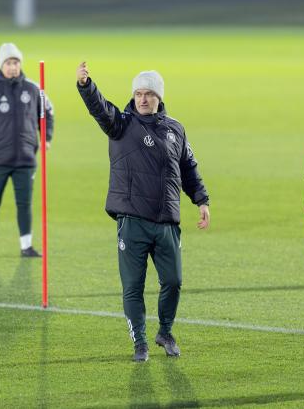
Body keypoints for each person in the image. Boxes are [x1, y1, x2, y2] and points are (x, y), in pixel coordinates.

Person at [76, 62, 210, 362]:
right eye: (138, 93)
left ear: (159, 97)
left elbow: (188, 168)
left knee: (173, 281)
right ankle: (140, 343)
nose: (143, 99)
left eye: (149, 94)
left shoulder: (176, 129)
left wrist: (201, 200)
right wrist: (86, 85)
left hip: (167, 223)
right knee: (133, 286)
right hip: (132, 220)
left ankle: (165, 331)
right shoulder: (120, 124)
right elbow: (100, 109)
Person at [0, 42, 54, 260]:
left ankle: (27, 246)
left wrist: (46, 138)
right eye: (8, 63)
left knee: (24, 204)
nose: (13, 67)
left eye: (16, 62)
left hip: (25, 159)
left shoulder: (34, 89)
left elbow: (48, 113)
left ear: (20, 64)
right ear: (1, 65)